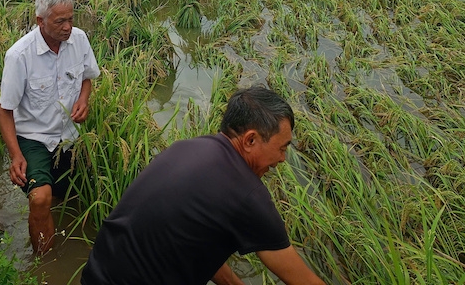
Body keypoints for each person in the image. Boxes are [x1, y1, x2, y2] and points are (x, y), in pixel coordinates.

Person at [82, 86, 327, 285]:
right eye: (282, 148)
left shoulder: (187, 148)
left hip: (96, 273)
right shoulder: (248, 195)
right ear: (250, 139)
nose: (282, 159)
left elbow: (195, 244)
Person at [0, 0, 100, 255]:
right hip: (34, 137)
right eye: (59, 21)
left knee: (73, 196)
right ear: (39, 21)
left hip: (69, 135)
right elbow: (5, 110)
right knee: (40, 198)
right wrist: (15, 155)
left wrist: (84, 99)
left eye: (71, 19)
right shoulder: (19, 56)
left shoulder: (79, 40)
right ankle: (45, 264)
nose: (67, 27)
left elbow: (87, 76)